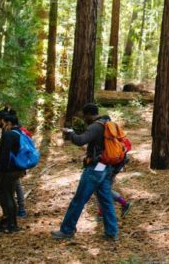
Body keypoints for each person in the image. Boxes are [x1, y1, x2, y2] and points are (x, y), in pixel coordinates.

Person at [51, 103, 119, 241]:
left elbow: (81, 141)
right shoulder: (108, 123)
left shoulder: (95, 126)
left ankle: (67, 230)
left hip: (94, 169)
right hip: (106, 167)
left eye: (84, 116)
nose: (84, 119)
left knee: (79, 200)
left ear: (89, 114)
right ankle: (112, 232)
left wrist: (70, 133)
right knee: (106, 201)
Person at [0, 109, 27, 233]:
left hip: (10, 170)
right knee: (6, 194)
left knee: (6, 195)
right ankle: (9, 220)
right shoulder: (20, 133)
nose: (1, 123)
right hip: (18, 168)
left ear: (8, 123)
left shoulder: (8, 134)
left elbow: (4, 156)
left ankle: (12, 224)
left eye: (3, 121)